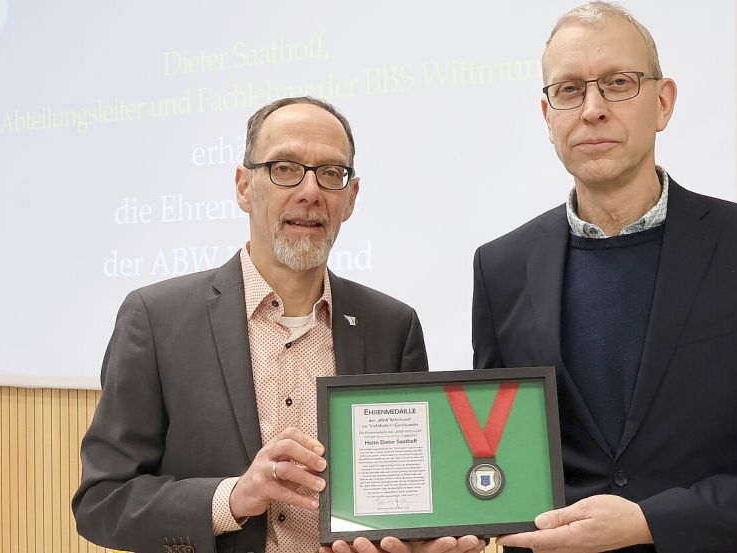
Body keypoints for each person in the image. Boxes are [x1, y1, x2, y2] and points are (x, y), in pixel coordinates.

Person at [471, 4, 737, 552]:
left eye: (618, 83)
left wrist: (652, 522)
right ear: (547, 114)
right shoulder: (500, 268)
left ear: (664, 102)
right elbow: (496, 461)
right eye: (569, 90)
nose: (593, 109)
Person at [74, 97, 485, 553]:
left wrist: (416, 543)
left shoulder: (393, 327)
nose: (310, 191)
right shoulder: (156, 319)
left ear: (350, 199)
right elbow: (103, 501)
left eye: (331, 173)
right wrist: (232, 498)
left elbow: (412, 490)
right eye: (285, 168)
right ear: (244, 186)